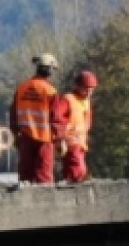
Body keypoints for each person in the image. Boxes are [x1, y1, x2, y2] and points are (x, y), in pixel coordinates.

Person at [9, 54, 60, 184]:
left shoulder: (21, 88)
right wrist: (60, 139)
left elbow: (13, 114)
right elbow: (56, 118)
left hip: (25, 138)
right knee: (44, 178)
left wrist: (16, 135)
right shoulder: (50, 91)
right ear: (49, 70)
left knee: (25, 177)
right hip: (45, 139)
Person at [53, 70, 98, 184]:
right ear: (78, 86)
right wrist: (61, 139)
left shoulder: (86, 102)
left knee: (74, 173)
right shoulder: (68, 99)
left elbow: (86, 122)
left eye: (91, 89)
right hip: (70, 143)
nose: (88, 92)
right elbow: (57, 119)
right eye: (86, 88)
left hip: (80, 144)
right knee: (78, 172)